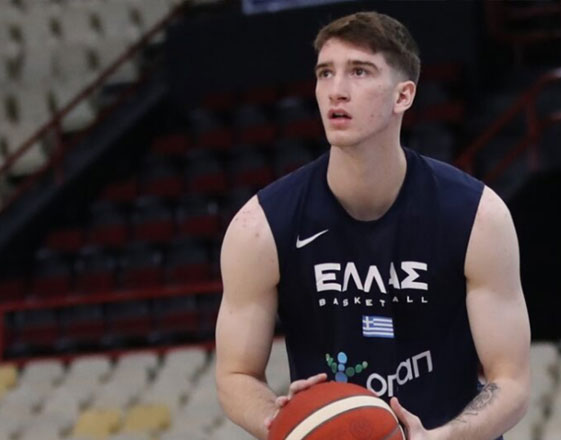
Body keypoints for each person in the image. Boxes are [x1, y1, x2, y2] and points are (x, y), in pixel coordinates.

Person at [215, 11, 530, 440]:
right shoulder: (261, 226)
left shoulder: (476, 215)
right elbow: (235, 374)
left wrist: (442, 437)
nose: (336, 90)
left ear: (403, 95)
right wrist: (285, 421)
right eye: (325, 73)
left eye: (359, 72)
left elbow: (511, 382)